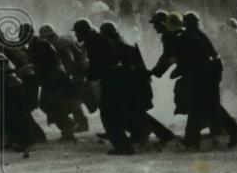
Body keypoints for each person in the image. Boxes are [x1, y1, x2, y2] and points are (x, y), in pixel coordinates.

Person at [99, 21, 174, 147]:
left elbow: (123, 70)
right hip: (137, 83)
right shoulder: (126, 46)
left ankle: (151, 133)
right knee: (136, 111)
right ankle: (159, 134)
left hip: (132, 85)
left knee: (132, 111)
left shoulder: (117, 48)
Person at [179, 12, 237, 149]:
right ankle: (234, 131)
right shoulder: (201, 35)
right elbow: (213, 54)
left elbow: (190, 59)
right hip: (209, 76)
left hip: (202, 77)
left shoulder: (190, 36)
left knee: (199, 106)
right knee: (211, 106)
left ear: (188, 24)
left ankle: (192, 140)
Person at [73, 18, 134, 155]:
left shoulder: (92, 41)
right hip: (112, 77)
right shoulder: (97, 38)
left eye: (77, 33)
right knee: (112, 113)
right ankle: (124, 145)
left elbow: (96, 63)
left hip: (108, 79)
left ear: (83, 32)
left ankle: (123, 148)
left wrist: (89, 79)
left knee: (108, 114)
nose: (76, 36)